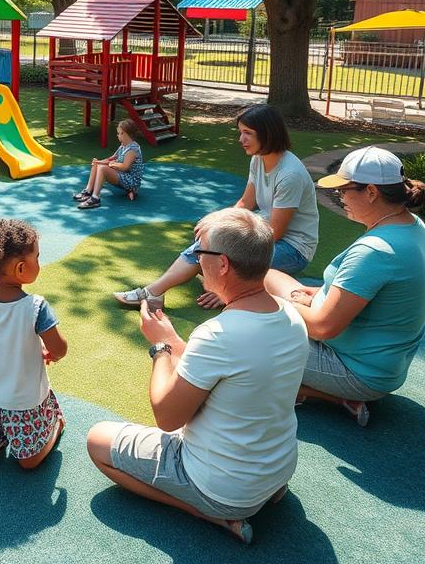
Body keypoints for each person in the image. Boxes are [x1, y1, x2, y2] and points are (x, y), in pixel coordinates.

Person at [88, 208, 308, 544]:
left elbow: (167, 416)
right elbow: (229, 370)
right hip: (277, 470)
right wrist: (176, 341)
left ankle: (206, 512)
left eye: (199, 251)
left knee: (98, 440)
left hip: (225, 488)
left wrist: (160, 346)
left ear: (222, 264)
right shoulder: (291, 316)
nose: (195, 259)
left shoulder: (218, 334)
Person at [265, 146, 425, 427]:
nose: (340, 196)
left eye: (345, 190)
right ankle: (317, 391)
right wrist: (314, 295)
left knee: (247, 331)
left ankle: (324, 394)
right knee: (268, 275)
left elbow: (323, 328)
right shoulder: (413, 226)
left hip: (356, 371)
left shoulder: (377, 251)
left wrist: (273, 305)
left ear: (371, 192)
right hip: (383, 364)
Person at [114, 103, 318, 310]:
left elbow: (275, 232)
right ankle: (156, 293)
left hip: (294, 249)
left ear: (267, 134)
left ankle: (223, 290)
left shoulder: (289, 175)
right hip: (266, 236)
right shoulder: (258, 159)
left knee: (219, 254)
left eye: (248, 133)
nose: (241, 139)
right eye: (241, 132)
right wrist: (215, 222)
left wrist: (227, 239)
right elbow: (246, 203)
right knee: (207, 248)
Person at [0, 219, 68, 470]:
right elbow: (60, 349)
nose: (39, 262)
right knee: (15, 460)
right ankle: (54, 422)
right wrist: (52, 352)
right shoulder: (36, 307)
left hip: (20, 402)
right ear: (20, 268)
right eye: (37, 257)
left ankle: (54, 423)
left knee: (22, 462)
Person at [74, 119, 144, 208]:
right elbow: (111, 158)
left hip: (131, 181)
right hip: (123, 176)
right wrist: (97, 162)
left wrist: (112, 164)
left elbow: (125, 167)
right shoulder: (123, 146)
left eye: (119, 133)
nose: (117, 135)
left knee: (103, 168)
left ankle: (95, 199)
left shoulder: (133, 149)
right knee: (98, 165)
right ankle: (88, 191)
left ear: (125, 134)